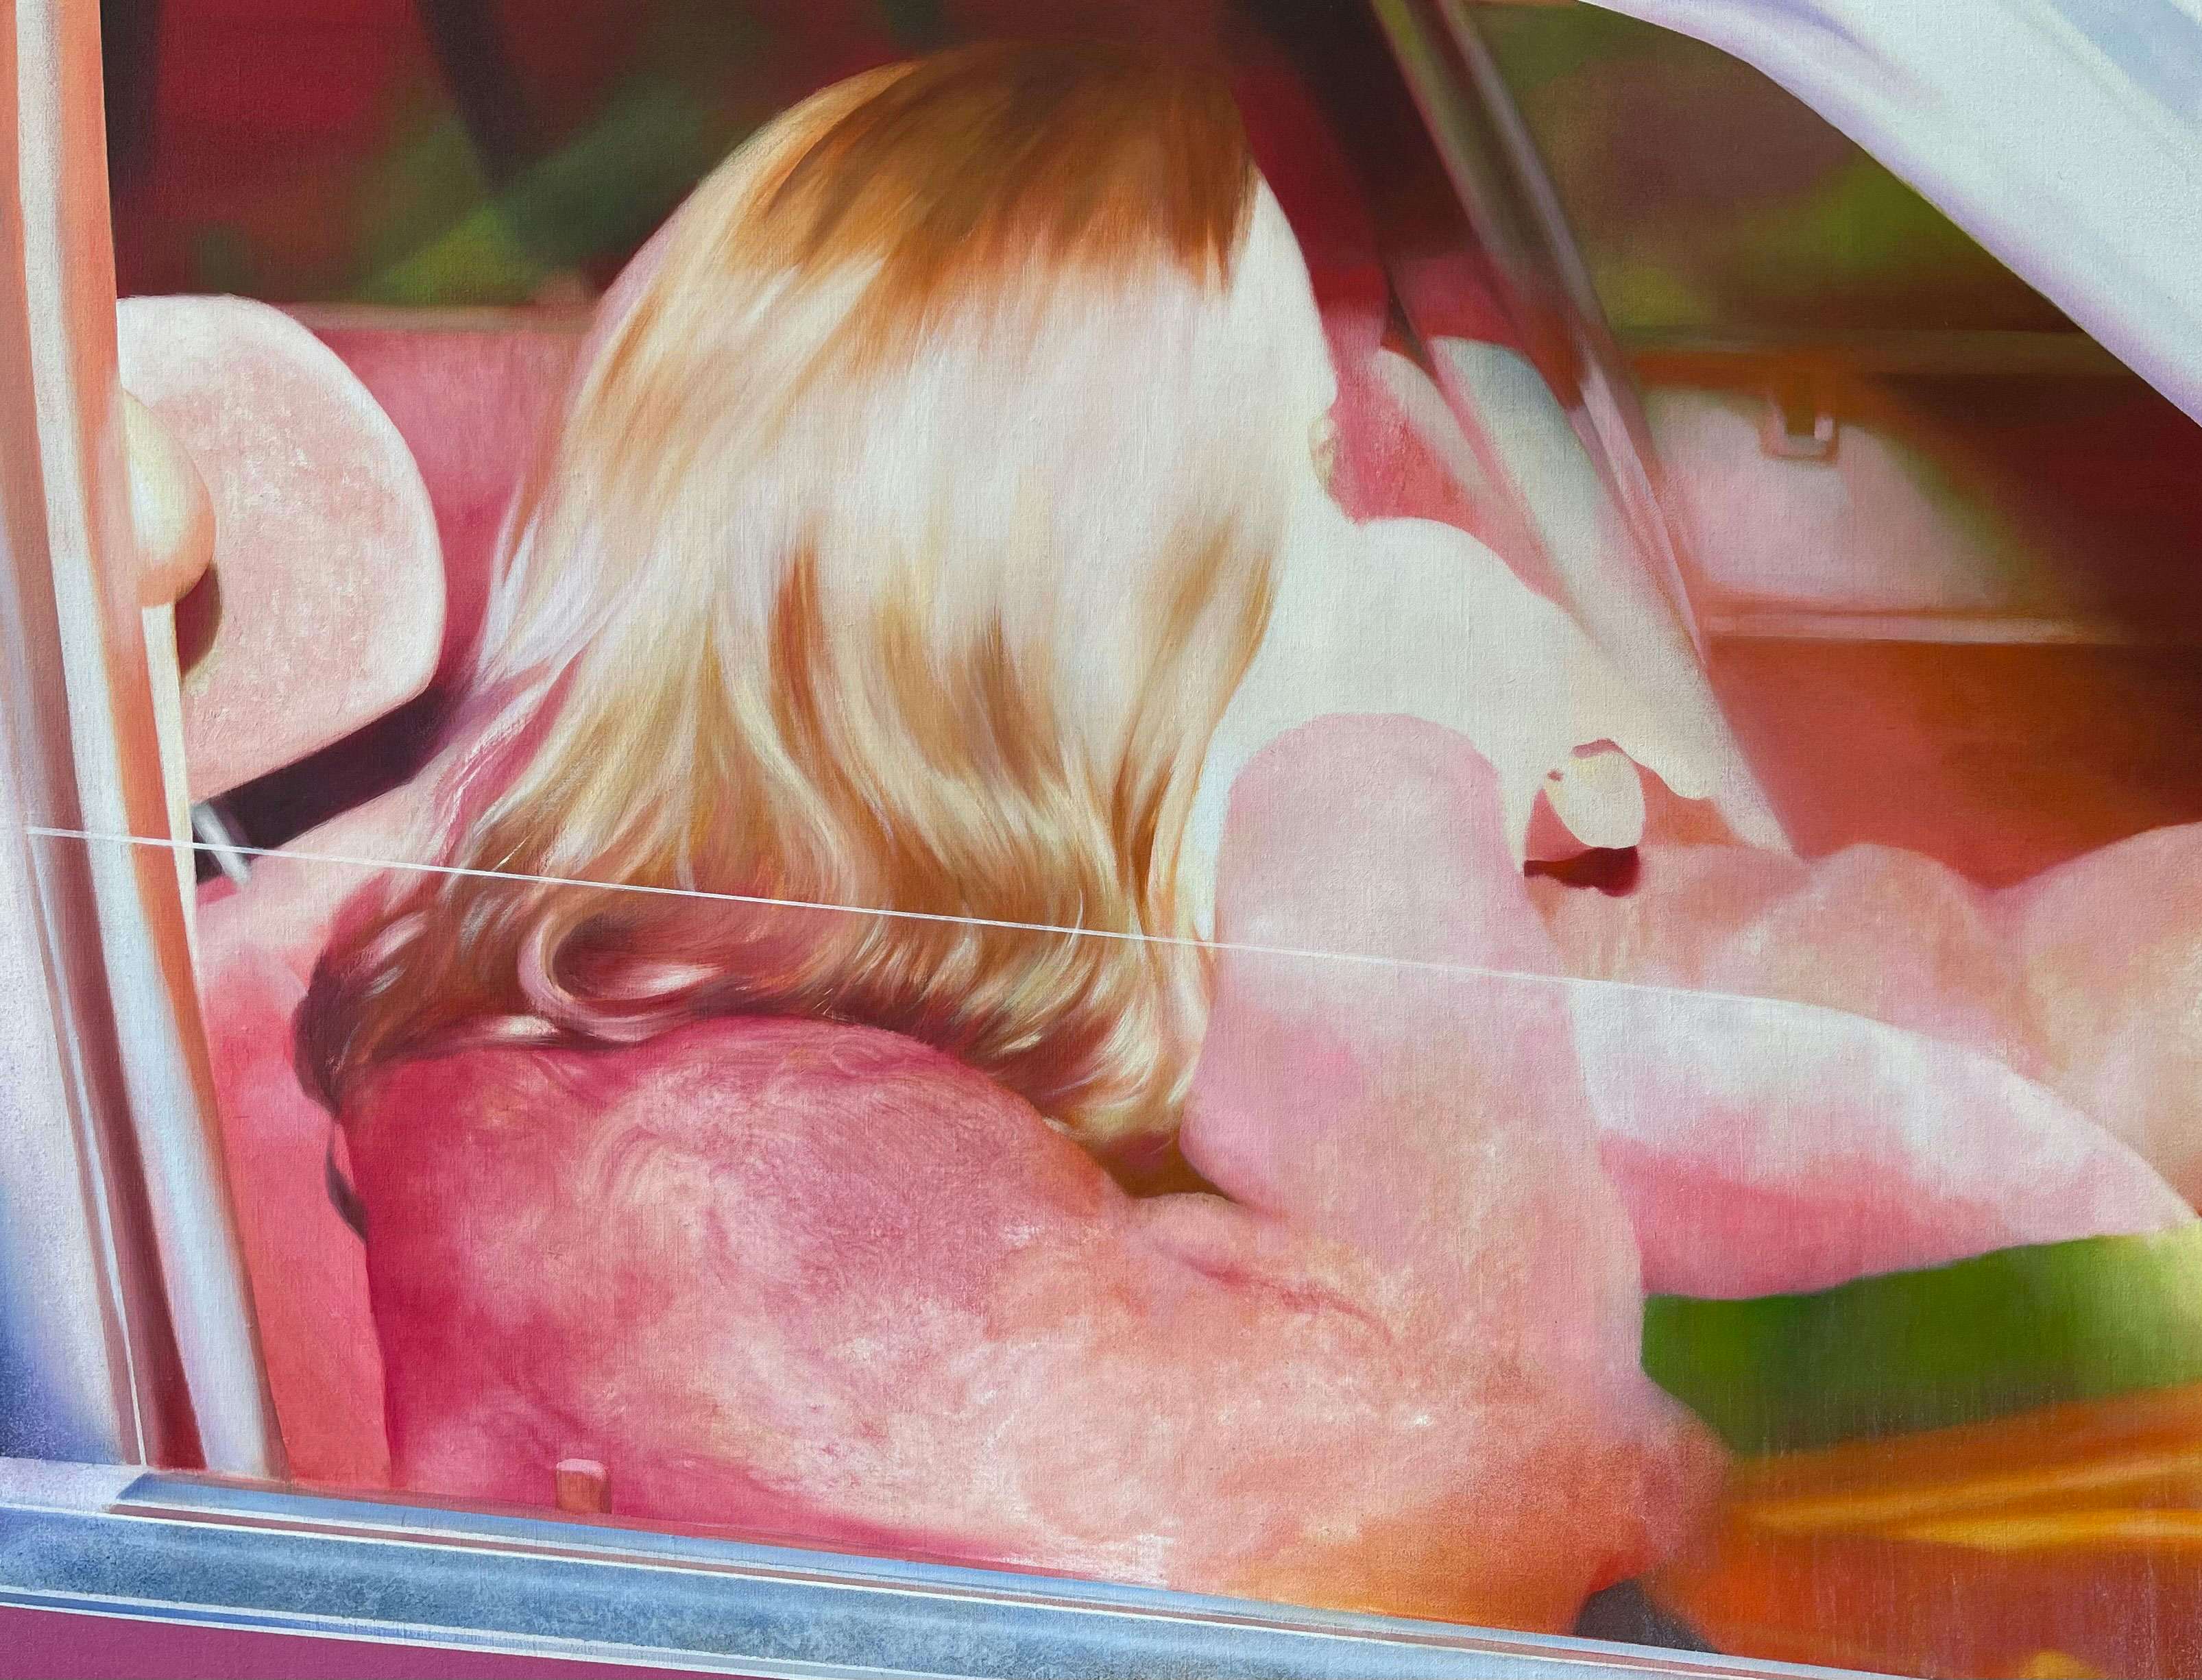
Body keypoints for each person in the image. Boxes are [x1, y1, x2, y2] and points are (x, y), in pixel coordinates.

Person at [202, 43, 1719, 1629]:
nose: (1367, 565)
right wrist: (1384, 817)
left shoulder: (732, 1063)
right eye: (1298, 486)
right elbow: (1512, 1490)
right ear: (1053, 629)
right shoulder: (757, 1200)